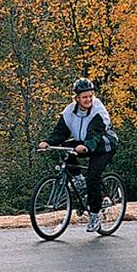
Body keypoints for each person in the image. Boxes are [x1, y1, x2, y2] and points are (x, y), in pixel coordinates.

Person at [38, 77, 118, 232]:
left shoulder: (98, 110)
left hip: (103, 145)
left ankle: (94, 215)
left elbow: (95, 134)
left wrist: (86, 146)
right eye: (84, 97)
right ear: (77, 98)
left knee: (93, 177)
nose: (88, 100)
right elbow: (60, 132)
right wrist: (48, 142)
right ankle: (78, 179)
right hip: (83, 142)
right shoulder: (69, 112)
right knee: (65, 147)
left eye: (90, 96)